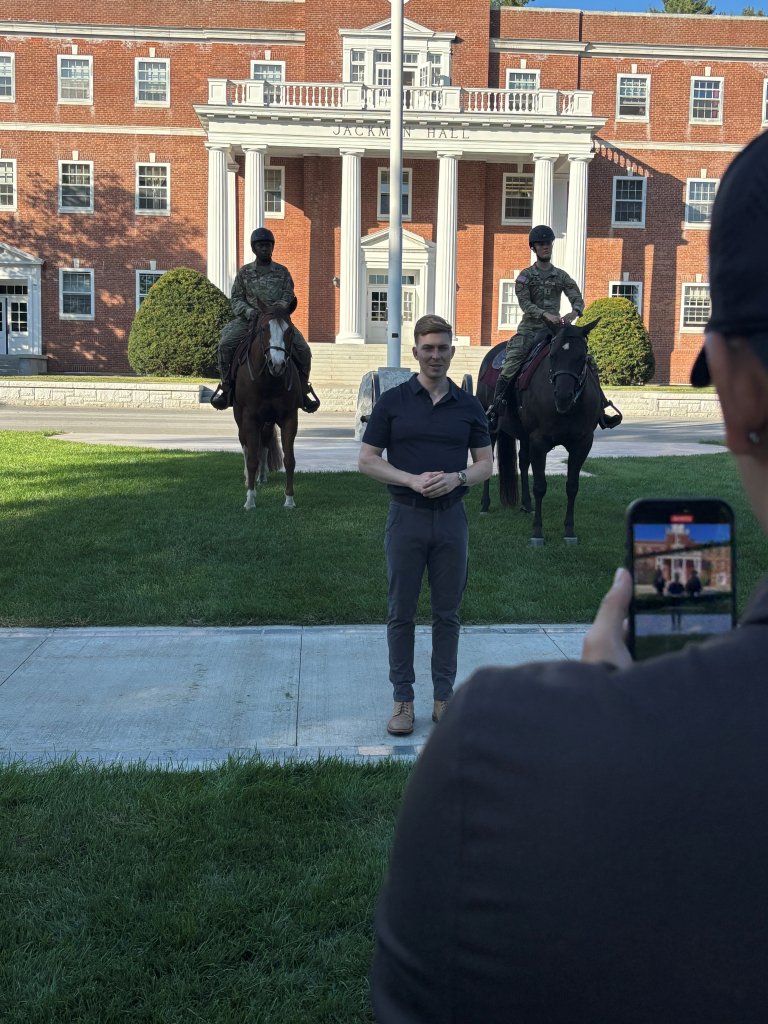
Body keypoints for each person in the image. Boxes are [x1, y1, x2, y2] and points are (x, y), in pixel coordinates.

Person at [372, 130, 768, 1022]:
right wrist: (544, 324)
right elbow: (536, 310)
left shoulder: (492, 744)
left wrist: (620, 716)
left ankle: (599, 405)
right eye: (545, 249)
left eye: (551, 250)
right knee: (515, 372)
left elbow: (581, 302)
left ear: (737, 393)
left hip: (569, 333)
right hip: (525, 339)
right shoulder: (523, 282)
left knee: (583, 382)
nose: (547, 257)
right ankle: (501, 421)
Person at [358, 314, 493, 736]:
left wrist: (458, 478)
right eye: (428, 348)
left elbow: (487, 464)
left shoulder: (468, 406)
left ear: (452, 352)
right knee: (401, 613)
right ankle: (403, 699)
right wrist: (411, 480)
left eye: (443, 348)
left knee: (447, 614)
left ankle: (443, 697)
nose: (436, 355)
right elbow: (367, 460)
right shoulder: (393, 402)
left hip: (452, 520)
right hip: (406, 518)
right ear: (415, 351)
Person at [486, 224, 621, 430]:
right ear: (534, 248)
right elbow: (525, 304)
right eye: (541, 244)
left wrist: (574, 313)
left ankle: (601, 408)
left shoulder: (561, 276)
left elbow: (577, 297)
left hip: (555, 331)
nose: (545, 247)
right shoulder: (525, 276)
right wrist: (544, 314)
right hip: (530, 330)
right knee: (512, 361)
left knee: (587, 361)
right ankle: (497, 408)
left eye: (548, 243)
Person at [210, 226, 319, 412]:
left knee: (303, 350)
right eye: (261, 245)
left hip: (277, 321)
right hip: (250, 320)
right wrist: (248, 312)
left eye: (268, 245)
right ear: (254, 249)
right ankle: (227, 387)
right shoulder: (245, 272)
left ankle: (303, 390)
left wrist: (277, 310)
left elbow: (288, 294)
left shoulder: (282, 272)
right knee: (225, 345)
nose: (265, 249)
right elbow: (236, 298)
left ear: (272, 247)